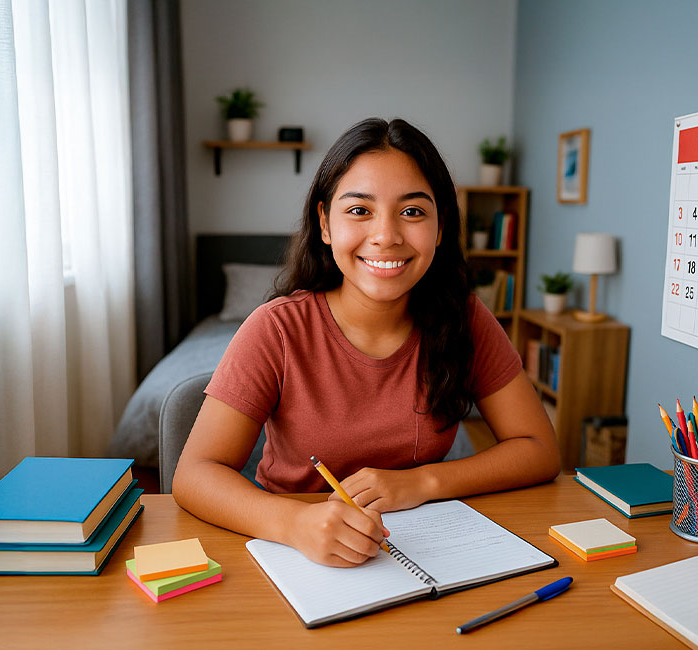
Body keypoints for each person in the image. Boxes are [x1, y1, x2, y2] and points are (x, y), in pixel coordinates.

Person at [173, 118, 560, 568]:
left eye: (412, 211)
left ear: (440, 228)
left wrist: (422, 483)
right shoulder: (275, 329)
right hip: (297, 553)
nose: (386, 236)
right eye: (359, 210)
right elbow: (194, 475)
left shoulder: (465, 319)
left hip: (421, 548)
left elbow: (539, 448)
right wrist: (292, 524)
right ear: (325, 223)